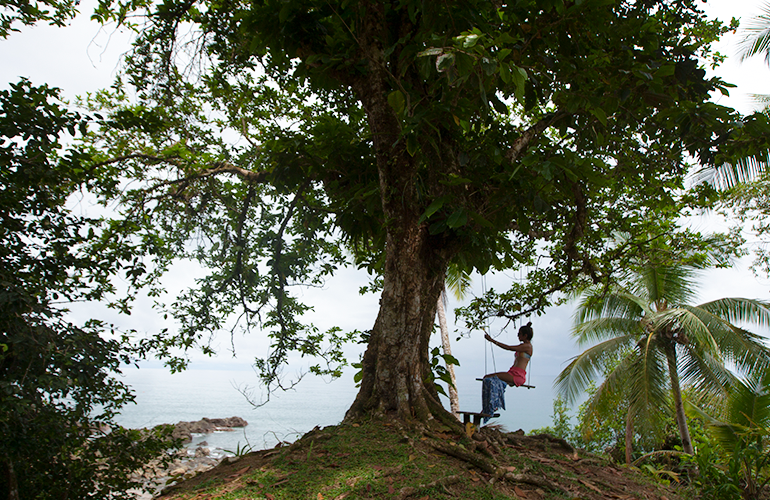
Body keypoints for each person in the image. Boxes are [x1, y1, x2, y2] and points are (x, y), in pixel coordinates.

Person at [483, 321, 533, 387]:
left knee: (487, 377)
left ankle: (494, 397)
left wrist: (492, 340)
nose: (518, 336)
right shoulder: (523, 346)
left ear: (525, 335)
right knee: (489, 378)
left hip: (518, 376)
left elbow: (508, 347)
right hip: (512, 373)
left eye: (519, 334)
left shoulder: (527, 346)